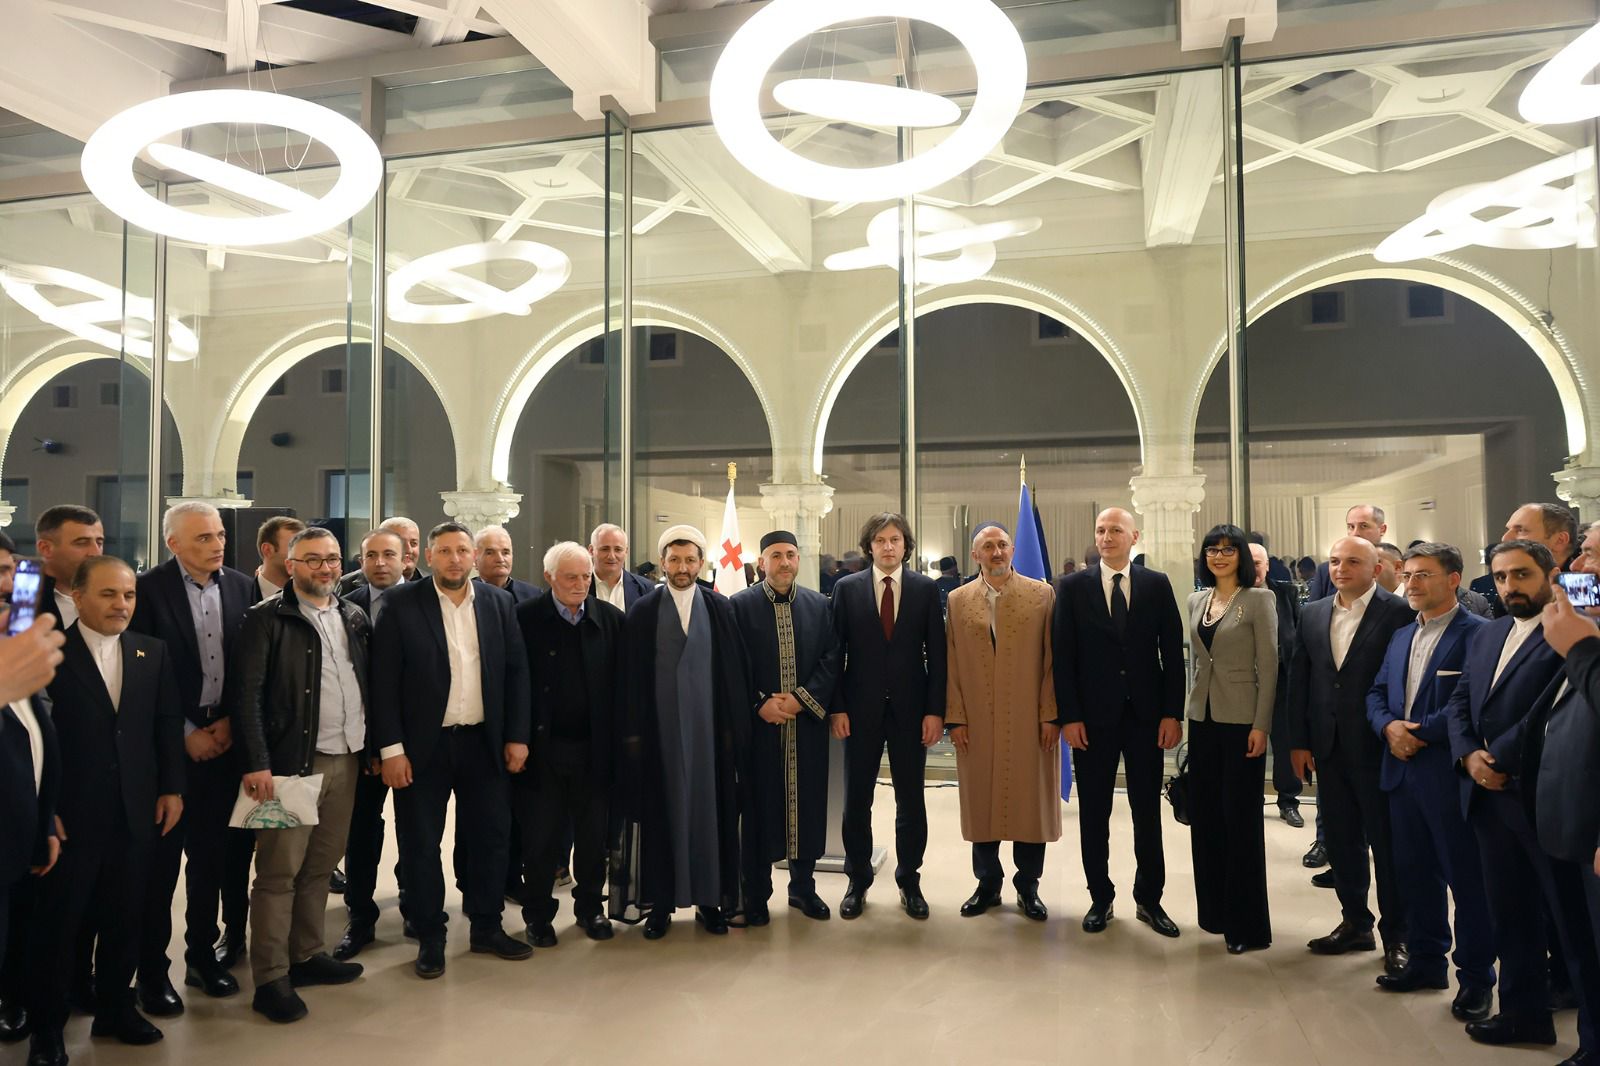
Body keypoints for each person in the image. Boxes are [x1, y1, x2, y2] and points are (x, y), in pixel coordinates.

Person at [25, 556, 183, 1064]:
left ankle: (116, 1008)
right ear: (78, 596)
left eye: (129, 595)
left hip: (136, 813)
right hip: (71, 817)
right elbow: (37, 739)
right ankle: (47, 1030)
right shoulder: (50, 654)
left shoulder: (150, 651)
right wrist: (46, 808)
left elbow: (166, 724)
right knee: (58, 927)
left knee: (126, 918)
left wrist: (172, 789)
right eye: (109, 594)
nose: (121, 604)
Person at [370, 522, 533, 978]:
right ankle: (430, 935)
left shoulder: (499, 603)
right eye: (445, 551)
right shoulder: (402, 603)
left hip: (484, 743)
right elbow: (383, 682)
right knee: (421, 844)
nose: (455, 559)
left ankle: (486, 926)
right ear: (428, 556)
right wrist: (391, 750)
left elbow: (517, 673)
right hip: (423, 747)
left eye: (463, 550)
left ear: (474, 556)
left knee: (490, 838)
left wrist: (517, 736)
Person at [233, 527, 370, 1023]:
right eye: (313, 559)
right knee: (278, 874)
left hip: (345, 759)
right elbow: (246, 694)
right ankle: (271, 978)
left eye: (332, 559)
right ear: (290, 566)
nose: (326, 568)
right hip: (289, 764)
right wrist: (257, 762)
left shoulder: (353, 615)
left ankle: (307, 954)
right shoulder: (265, 618)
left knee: (320, 866)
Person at [1445, 540, 1578, 1049]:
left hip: (1541, 796)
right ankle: (1524, 1015)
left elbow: (1548, 709)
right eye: (1500, 577)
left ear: (1550, 574)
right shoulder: (1490, 632)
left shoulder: (1567, 630)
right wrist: (1467, 755)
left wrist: (1494, 758)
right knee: (1510, 912)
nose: (1509, 586)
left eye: (1521, 575)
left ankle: (1590, 1035)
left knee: (1570, 923)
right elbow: (1461, 700)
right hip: (1488, 798)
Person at [130, 501, 254, 1013]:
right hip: (167, 747)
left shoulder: (243, 587)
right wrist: (184, 732)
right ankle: (152, 974)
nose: (217, 544)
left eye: (220, 534)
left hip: (224, 742)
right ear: (173, 543)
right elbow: (139, 674)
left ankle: (202, 958)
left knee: (211, 861)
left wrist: (229, 723)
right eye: (203, 537)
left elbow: (249, 666)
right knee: (160, 870)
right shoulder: (147, 591)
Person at [1364, 543, 1494, 1020]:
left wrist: (1415, 733)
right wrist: (1387, 728)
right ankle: (1425, 962)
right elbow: (1377, 692)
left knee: (1467, 881)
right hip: (1400, 774)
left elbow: (1471, 702)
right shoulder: (1403, 634)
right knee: (1414, 875)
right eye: (1408, 575)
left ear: (1454, 579)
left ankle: (1476, 979)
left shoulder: (1479, 634)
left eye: (1424, 575)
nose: (1412, 584)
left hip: (1446, 773)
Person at [611, 525, 751, 939]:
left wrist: (733, 732)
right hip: (659, 737)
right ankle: (660, 905)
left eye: (690, 560)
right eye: (675, 560)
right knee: (661, 816)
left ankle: (710, 902)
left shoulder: (720, 608)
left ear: (702, 563)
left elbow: (734, 675)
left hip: (710, 738)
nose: (683, 567)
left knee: (711, 816)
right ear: (663, 563)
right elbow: (630, 678)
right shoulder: (644, 611)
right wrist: (632, 735)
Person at [1053, 507, 1183, 937]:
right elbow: (1063, 658)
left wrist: (1171, 713)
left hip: (1146, 719)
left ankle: (1149, 899)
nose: (1106, 537)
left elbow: (1172, 654)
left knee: (1147, 812)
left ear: (1134, 536)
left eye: (1115, 530)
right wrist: (1070, 717)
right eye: (1101, 530)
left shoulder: (1156, 584)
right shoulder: (1072, 587)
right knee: (1095, 813)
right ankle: (1100, 897)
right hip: (1091, 721)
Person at [1290, 536, 1415, 973]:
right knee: (1342, 841)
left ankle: (1398, 935)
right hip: (1328, 746)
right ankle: (1355, 923)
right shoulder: (1313, 612)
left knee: (1388, 845)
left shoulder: (1399, 612)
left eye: (1353, 561)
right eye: (1335, 561)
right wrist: (1299, 741)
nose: (1341, 569)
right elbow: (1301, 679)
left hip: (1379, 747)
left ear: (1377, 567)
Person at [830, 513, 946, 921]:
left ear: (905, 545)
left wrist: (935, 711)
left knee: (910, 800)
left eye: (895, 539)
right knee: (856, 801)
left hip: (912, 712)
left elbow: (938, 656)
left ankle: (909, 880)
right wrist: (837, 707)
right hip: (858, 711)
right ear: (869, 546)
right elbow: (834, 654)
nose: (888, 546)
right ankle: (857, 879)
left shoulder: (925, 589)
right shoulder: (846, 589)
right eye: (880, 540)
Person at [946, 525, 1060, 921]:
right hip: (977, 718)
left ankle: (1028, 886)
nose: (996, 552)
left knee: (1030, 803)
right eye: (987, 547)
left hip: (1030, 718)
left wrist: (1050, 714)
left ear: (1012, 550)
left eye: (1002, 545)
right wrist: (956, 718)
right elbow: (951, 662)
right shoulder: (958, 600)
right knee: (981, 801)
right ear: (975, 555)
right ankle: (987, 884)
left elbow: (1052, 660)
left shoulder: (1041, 594)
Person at [513, 542, 624, 945]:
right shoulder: (524, 618)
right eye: (570, 577)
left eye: (585, 576)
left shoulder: (611, 620)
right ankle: (538, 916)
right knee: (541, 840)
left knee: (593, 840)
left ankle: (590, 909)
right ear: (549, 578)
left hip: (594, 751)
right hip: (542, 750)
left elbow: (624, 688)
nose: (580, 584)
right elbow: (513, 683)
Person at [730, 531, 841, 925]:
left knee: (806, 807)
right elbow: (732, 663)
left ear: (798, 559)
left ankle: (803, 889)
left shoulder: (819, 605)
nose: (784, 562)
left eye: (790, 555)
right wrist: (759, 703)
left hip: (805, 725)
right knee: (759, 808)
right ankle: (755, 894)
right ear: (762, 562)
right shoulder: (738, 606)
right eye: (775, 555)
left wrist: (800, 700)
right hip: (759, 728)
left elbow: (832, 658)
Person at [1186, 525, 1277, 954]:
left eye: (1227, 549)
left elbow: (1270, 667)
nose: (1219, 556)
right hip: (1202, 718)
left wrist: (1262, 725)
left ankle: (1246, 925)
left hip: (1242, 721)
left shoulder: (1259, 600)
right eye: (1212, 550)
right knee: (1206, 817)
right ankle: (1214, 913)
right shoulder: (1197, 600)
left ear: (1240, 555)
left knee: (1239, 819)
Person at [333, 528, 409, 961]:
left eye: (388, 555)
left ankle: (415, 903)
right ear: (360, 561)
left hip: (413, 740)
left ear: (405, 559)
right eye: (371, 555)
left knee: (417, 829)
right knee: (361, 830)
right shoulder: (345, 606)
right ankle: (360, 915)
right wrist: (372, 746)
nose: (380, 563)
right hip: (361, 742)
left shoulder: (425, 601)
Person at [1534, 586, 1600, 1066]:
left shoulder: (1581, 641)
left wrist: (1581, 649)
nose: (1580, 568)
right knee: (1583, 951)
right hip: (1568, 818)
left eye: (1592, 554)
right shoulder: (1581, 630)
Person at [0, 614, 60, 1057]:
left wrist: (45, 823)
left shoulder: (16, 657)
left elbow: (34, 746)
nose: (9, 585)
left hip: (21, 838)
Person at [1248, 544, 1304, 827]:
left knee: (1285, 743)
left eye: (1258, 563)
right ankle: (1250, 801)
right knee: (1248, 745)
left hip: (1284, 680)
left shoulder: (1286, 593)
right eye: (1248, 563)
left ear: (1267, 565)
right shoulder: (1235, 595)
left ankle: (1288, 801)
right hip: (1248, 683)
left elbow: (1299, 633)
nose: (1253, 568)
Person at [34, 506, 105, 628]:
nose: (95, 552)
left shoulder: (117, 598)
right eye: (82, 543)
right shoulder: (20, 602)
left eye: (99, 543)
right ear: (45, 548)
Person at [1306, 504, 1388, 601]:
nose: (1355, 533)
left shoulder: (1392, 567)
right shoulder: (1326, 571)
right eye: (1351, 527)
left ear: (1382, 529)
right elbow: (1315, 608)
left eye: (1364, 526)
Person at [338, 517, 423, 593]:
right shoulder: (346, 586)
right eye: (401, 543)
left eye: (414, 543)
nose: (409, 550)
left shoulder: (429, 586)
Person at [589, 523, 652, 611]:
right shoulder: (579, 587)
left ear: (626, 552)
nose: (611, 556)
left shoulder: (645, 589)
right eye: (605, 549)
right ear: (591, 551)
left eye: (618, 550)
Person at [474, 526, 540, 605]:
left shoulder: (533, 595)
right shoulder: (465, 594)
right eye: (490, 553)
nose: (500, 559)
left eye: (505, 553)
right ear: (475, 558)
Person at [1505, 501, 1578, 570]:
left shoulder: (1581, 578)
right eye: (1508, 529)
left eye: (1521, 530)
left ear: (1560, 540)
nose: (1505, 538)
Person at [252, 516, 306, 604]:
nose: (303, 556)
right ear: (267, 550)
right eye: (293, 547)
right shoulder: (240, 595)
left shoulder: (312, 597)